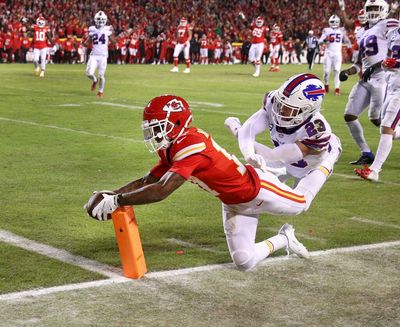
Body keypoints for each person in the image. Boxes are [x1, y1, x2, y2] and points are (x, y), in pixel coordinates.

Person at [84, 93, 339, 271]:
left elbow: (162, 190)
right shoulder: (175, 145)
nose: (153, 133)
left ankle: (331, 154)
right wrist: (112, 195)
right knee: (244, 261)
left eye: (158, 126)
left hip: (256, 188)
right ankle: (285, 239)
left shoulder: (191, 144)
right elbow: (149, 179)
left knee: (302, 203)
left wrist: (118, 201)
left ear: (176, 123)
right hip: (232, 201)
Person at [224, 73, 341, 186]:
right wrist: (248, 151)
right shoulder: (273, 101)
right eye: (281, 104)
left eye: (288, 108)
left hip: (312, 166)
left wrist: (238, 132)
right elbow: (250, 128)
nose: (280, 110)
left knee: (298, 203)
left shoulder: (317, 131)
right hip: (287, 161)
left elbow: (274, 157)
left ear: (306, 110)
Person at [339, 0, 399, 165]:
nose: (372, 12)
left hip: (382, 77)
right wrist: (347, 72)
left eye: (376, 8)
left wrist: (378, 65)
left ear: (384, 10)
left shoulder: (389, 23)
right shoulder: (363, 32)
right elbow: (359, 63)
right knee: (350, 115)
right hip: (365, 78)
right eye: (370, 9)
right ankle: (366, 152)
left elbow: (395, 46)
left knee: (378, 120)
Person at [354, 27, 400, 181]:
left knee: (387, 127)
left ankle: (374, 170)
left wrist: (396, 63)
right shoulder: (393, 32)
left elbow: (395, 61)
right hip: (391, 85)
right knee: (388, 130)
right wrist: (381, 65)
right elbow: (388, 57)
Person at [82, 10, 115, 98]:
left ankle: (100, 91)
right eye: (99, 19)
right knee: (89, 73)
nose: (100, 21)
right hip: (94, 55)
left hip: (103, 56)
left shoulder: (108, 29)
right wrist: (83, 43)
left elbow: (114, 42)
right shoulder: (92, 29)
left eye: (102, 19)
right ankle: (94, 80)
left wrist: (111, 34)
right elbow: (87, 42)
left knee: (101, 75)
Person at [318, 15, 351, 95]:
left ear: (339, 22)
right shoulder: (326, 30)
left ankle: (337, 89)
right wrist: (325, 40)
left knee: (337, 71)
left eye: (335, 21)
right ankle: (326, 86)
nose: (334, 23)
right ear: (329, 22)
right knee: (326, 72)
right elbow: (320, 41)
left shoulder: (342, 30)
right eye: (332, 22)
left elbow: (346, 40)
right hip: (328, 53)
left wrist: (349, 48)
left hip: (337, 53)